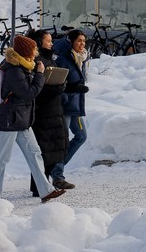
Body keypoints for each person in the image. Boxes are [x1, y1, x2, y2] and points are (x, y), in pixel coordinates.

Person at [0, 35, 65, 203]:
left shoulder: (23, 67)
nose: (36, 53)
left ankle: (46, 190)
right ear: (26, 51)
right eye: (34, 49)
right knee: (0, 159)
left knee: (35, 154)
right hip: (10, 120)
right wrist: (40, 75)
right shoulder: (14, 70)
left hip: (21, 120)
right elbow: (28, 93)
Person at [27, 30, 69, 197]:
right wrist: (58, 87)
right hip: (43, 110)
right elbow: (39, 88)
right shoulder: (37, 61)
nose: (52, 43)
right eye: (48, 41)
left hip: (53, 109)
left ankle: (39, 186)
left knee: (51, 147)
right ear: (39, 42)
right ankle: (40, 187)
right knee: (44, 149)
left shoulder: (48, 58)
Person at [49, 28, 89, 190]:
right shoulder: (64, 59)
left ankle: (54, 167)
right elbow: (58, 82)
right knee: (62, 141)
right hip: (65, 105)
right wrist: (74, 88)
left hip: (74, 106)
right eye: (79, 41)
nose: (82, 44)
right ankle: (57, 175)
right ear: (71, 42)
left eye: (84, 41)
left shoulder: (80, 58)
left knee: (80, 136)